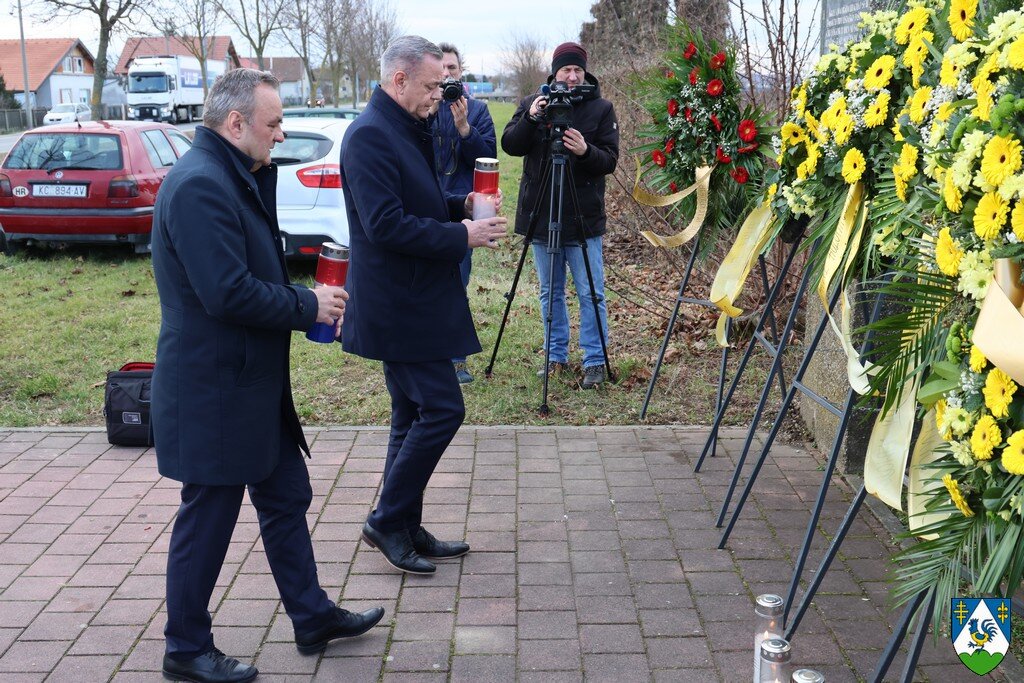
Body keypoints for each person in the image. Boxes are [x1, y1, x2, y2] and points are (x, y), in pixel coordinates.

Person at [151, 68, 384, 683]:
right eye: (274, 122)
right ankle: (185, 648)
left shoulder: (234, 173)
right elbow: (226, 294)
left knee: (285, 496)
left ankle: (311, 617)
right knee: (208, 516)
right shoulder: (201, 185)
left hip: (251, 384)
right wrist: (307, 305)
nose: (281, 134)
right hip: (217, 387)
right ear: (235, 124)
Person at [340, 36, 507, 575]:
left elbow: (420, 200)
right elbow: (384, 224)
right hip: (398, 303)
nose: (441, 94)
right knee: (443, 409)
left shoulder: (406, 126)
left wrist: (462, 205)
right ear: (400, 80)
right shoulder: (369, 136)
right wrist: (463, 235)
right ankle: (387, 520)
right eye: (433, 85)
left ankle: (404, 524)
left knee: (408, 415)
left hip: (415, 298)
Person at [501, 41, 619, 389]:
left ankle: (595, 360)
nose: (570, 77)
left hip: (583, 217)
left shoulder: (601, 109)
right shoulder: (532, 104)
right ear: (554, 73)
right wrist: (532, 116)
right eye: (565, 70)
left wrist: (585, 151)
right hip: (541, 214)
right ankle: (556, 357)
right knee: (550, 291)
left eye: (577, 71)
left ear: (585, 73)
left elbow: (609, 161)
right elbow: (511, 144)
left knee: (591, 291)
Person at [430, 42, 497, 384]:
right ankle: (430, 354)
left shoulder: (479, 110)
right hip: (427, 209)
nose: (446, 74)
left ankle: (457, 359)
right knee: (426, 282)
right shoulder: (423, 108)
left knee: (457, 283)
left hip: (463, 210)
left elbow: (488, 160)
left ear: (461, 71)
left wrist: (465, 129)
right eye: (440, 69)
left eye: (452, 68)